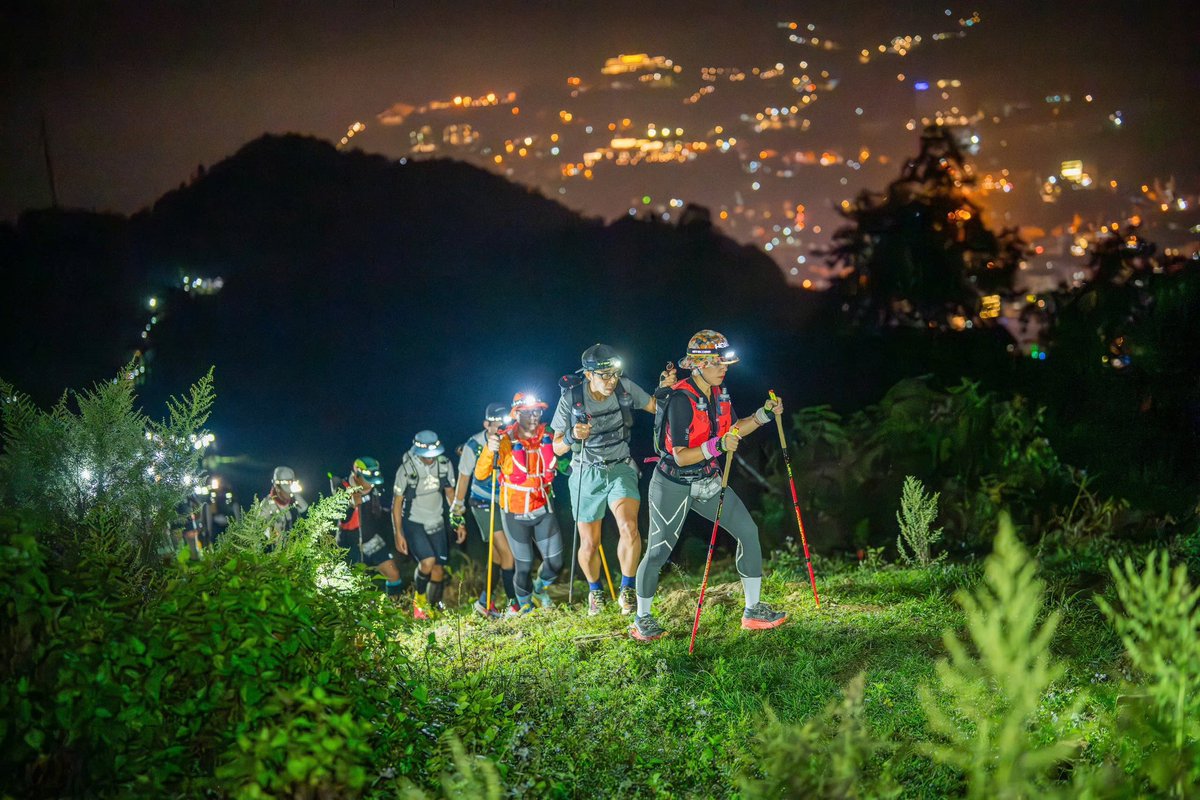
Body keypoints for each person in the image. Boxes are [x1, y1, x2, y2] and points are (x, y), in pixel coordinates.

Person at [631, 330, 788, 641]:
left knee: (748, 531)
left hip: (708, 482)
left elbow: (733, 430)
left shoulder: (720, 394)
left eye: (725, 362)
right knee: (658, 551)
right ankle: (642, 618)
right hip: (672, 484)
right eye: (717, 363)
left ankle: (753, 610)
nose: (724, 367)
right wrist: (718, 446)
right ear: (698, 366)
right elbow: (680, 455)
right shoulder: (680, 399)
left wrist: (763, 415)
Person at [551, 343, 671, 615]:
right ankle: (595, 592)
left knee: (630, 527)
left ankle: (627, 589)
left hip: (620, 467)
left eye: (614, 374)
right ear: (588, 375)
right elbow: (556, 447)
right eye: (603, 375)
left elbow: (655, 405)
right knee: (590, 543)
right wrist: (571, 436)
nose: (611, 381)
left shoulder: (625, 388)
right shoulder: (571, 399)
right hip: (585, 472)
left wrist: (666, 389)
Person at [473, 392, 564, 613]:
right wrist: (489, 450)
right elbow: (481, 473)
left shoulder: (548, 434)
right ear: (516, 414)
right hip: (514, 512)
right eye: (527, 412)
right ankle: (525, 609)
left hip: (542, 507)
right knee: (522, 565)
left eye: (537, 411)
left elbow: (562, 457)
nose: (534, 416)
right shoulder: (504, 439)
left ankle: (539, 588)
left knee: (555, 563)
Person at [453, 402, 520, 617]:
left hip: (504, 502)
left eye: (504, 423)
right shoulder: (473, 445)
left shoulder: (509, 440)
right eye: (495, 424)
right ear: (486, 424)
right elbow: (464, 478)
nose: (500, 427)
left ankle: (484, 603)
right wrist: (457, 510)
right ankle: (514, 604)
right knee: (508, 554)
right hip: (482, 503)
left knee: (499, 558)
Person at [392, 431, 464, 620]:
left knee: (439, 570)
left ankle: (431, 609)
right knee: (428, 561)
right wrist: (398, 532)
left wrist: (459, 521)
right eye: (426, 456)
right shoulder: (406, 469)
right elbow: (397, 503)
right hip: (414, 521)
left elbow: (451, 494)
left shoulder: (444, 464)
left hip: (437, 521)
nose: (430, 459)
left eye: (434, 455)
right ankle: (420, 600)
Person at [335, 456, 406, 600]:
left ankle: (394, 610)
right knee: (354, 586)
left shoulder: (374, 488)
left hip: (371, 539)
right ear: (357, 476)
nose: (372, 485)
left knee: (393, 574)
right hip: (349, 544)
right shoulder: (343, 487)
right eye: (369, 481)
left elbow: (383, 510)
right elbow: (342, 518)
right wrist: (350, 505)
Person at [256, 465, 308, 546]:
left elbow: (304, 507)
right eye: (285, 490)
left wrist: (295, 493)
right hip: (272, 549)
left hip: (290, 547)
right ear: (277, 487)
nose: (288, 493)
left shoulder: (292, 500)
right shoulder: (267, 504)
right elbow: (258, 526)